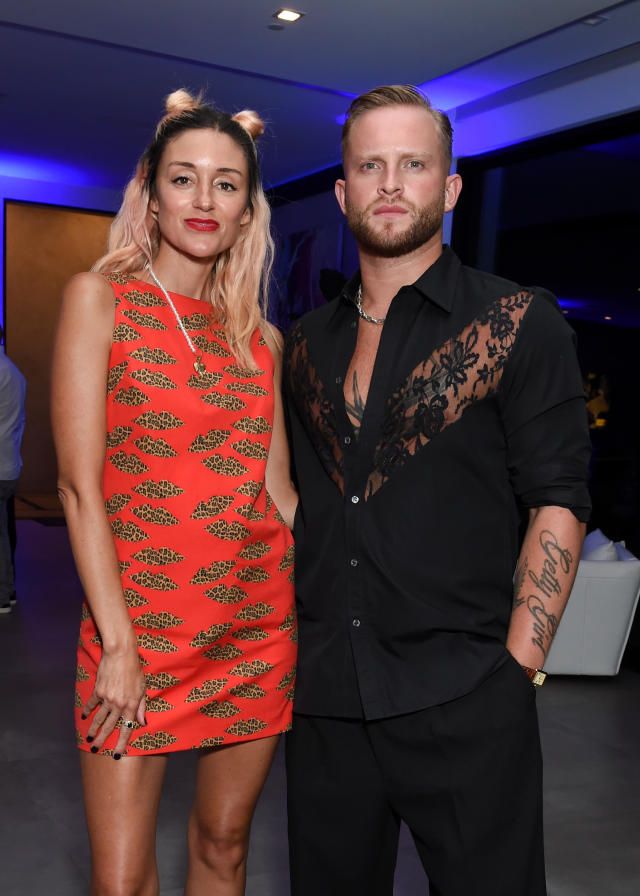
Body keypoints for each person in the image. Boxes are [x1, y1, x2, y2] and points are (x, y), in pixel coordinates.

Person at [283, 85, 591, 896]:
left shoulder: (521, 321)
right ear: (343, 192)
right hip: (325, 698)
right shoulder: (306, 344)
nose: (391, 183)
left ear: (449, 188)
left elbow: (558, 495)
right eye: (370, 165)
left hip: (465, 697)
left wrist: (517, 670)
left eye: (413, 164)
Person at [51, 89, 297, 896]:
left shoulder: (262, 342)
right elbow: (79, 488)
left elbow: (280, 497)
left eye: (226, 184)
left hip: (253, 628)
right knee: (120, 882)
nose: (203, 199)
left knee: (224, 846)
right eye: (184, 178)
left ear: (245, 211)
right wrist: (117, 647)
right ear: (150, 195)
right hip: (137, 633)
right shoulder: (101, 300)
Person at [0, 323, 26, 614]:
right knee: (6, 528)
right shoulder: (13, 371)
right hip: (9, 462)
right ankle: (10, 588)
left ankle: (2, 594)